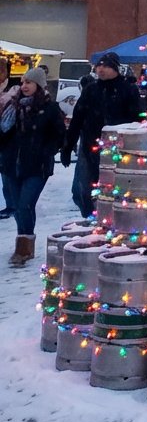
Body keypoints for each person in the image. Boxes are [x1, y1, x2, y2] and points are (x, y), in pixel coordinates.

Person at [61, 52, 141, 218]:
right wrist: (68, 147)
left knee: (113, 188)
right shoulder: (91, 90)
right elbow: (78, 118)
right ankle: (91, 217)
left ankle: (110, 218)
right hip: (90, 146)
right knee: (86, 188)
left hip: (118, 148)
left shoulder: (128, 89)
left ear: (115, 69)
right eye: (99, 66)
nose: (101, 69)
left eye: (106, 66)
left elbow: (137, 119)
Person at [0, 67, 65, 267]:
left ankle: (23, 249)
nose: (24, 86)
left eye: (29, 82)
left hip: (36, 166)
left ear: (39, 85)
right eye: (23, 82)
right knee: (20, 208)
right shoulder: (13, 107)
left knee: (25, 204)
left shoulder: (49, 108)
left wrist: (45, 152)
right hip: (11, 164)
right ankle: (25, 240)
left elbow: (59, 136)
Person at [0, 56, 17, 218]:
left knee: (7, 173)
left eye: (2, 70)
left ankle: (12, 204)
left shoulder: (13, 89)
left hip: (7, 139)